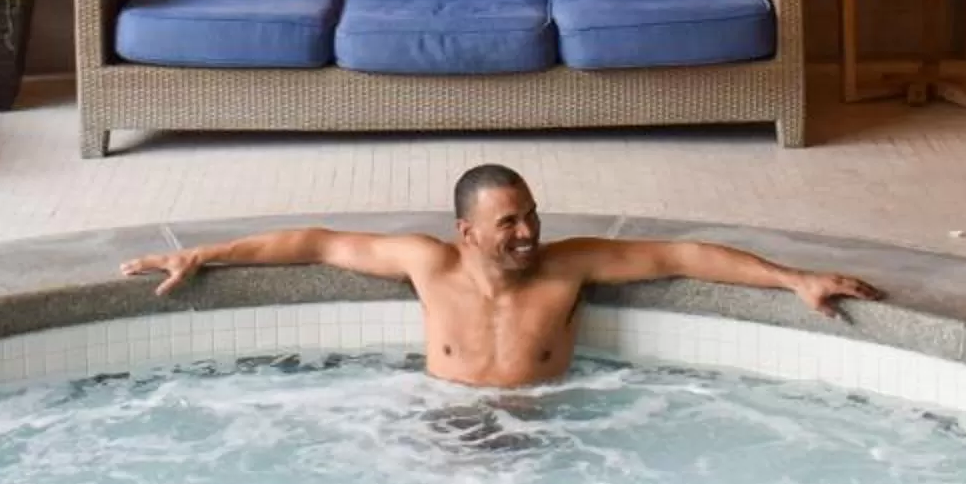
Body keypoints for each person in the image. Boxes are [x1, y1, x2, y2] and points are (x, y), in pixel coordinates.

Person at [121, 165, 881, 388]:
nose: (527, 233)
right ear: (468, 232)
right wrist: (205, 255)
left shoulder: (569, 266)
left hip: (547, 434)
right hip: (442, 431)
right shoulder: (427, 264)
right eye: (509, 223)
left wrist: (794, 280)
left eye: (530, 216)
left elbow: (684, 256)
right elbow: (316, 243)